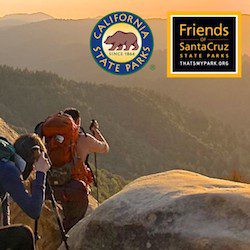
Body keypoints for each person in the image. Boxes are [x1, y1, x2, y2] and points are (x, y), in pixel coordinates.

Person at [51, 108, 109, 232]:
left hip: (52, 184)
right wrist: (95, 130)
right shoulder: (85, 139)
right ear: (77, 121)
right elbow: (105, 148)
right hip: (75, 188)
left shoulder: (53, 137)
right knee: (74, 227)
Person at [0, 134, 50, 250]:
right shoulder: (9, 170)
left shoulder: (5, 164)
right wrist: (41, 173)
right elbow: (34, 210)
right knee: (24, 234)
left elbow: (5, 217)